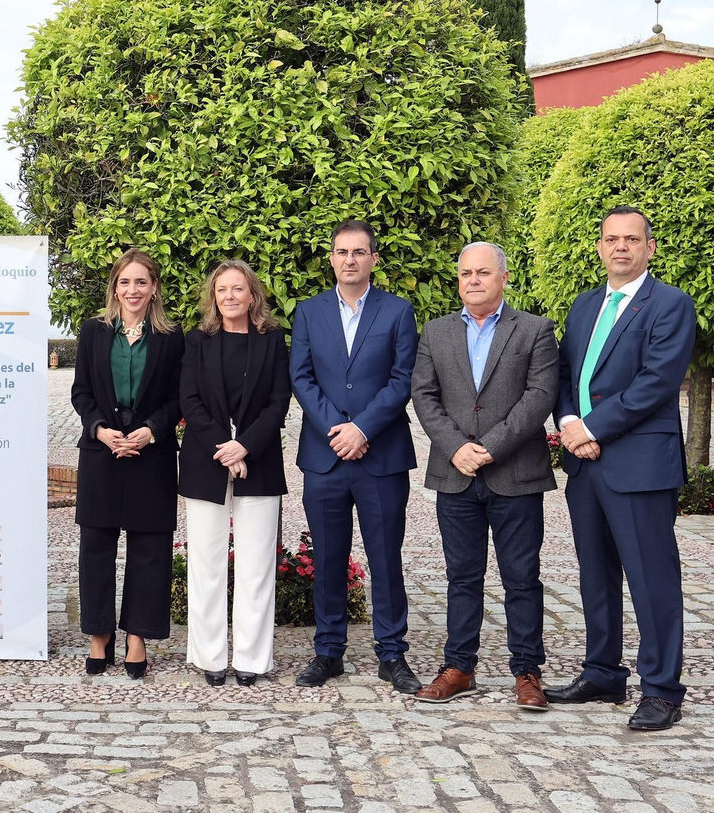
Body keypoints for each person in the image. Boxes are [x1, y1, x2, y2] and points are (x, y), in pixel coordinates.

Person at [546, 206, 695, 731]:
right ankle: (604, 671)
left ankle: (661, 689)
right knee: (596, 573)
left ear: (650, 248)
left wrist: (591, 428)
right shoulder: (585, 306)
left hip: (638, 463)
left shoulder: (670, 304)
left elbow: (656, 382)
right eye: (612, 239)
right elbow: (565, 373)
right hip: (585, 464)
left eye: (632, 239)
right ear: (600, 246)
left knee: (651, 578)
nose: (621, 248)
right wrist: (567, 420)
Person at [410, 242, 558, 710]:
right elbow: (424, 396)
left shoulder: (535, 330)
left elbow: (539, 397)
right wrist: (457, 447)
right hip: (454, 474)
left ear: (504, 278)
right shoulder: (435, 332)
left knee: (522, 577)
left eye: (483, 273)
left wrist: (489, 448)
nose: (473, 280)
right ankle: (459, 667)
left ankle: (527, 672)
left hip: (515, 473)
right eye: (466, 273)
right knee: (461, 577)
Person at [289, 219, 421, 693]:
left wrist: (362, 428)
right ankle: (328, 652)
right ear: (331, 258)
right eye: (342, 252)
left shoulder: (399, 312)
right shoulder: (308, 312)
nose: (350, 260)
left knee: (386, 556)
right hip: (324, 457)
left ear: (373, 259)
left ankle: (392, 654)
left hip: (381, 456)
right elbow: (301, 378)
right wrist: (336, 430)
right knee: (328, 557)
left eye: (359, 252)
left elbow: (402, 380)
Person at [70, 249, 184, 680]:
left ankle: (138, 636)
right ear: (114, 288)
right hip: (102, 452)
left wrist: (151, 429)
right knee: (96, 548)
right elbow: (81, 392)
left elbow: (179, 396)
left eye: (141, 282)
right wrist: (100, 429)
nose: (132, 290)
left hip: (150, 454)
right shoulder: (94, 332)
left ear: (154, 288)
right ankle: (100, 635)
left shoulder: (173, 338)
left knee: (150, 550)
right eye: (125, 282)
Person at [178, 260, 291, 687]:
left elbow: (278, 402)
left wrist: (245, 445)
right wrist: (225, 451)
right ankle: (209, 656)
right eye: (222, 289)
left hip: (258, 461)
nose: (230, 296)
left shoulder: (273, 340)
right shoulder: (197, 341)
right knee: (205, 563)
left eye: (237, 289)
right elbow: (189, 401)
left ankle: (252, 659)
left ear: (252, 295)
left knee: (256, 565)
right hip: (205, 462)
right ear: (214, 296)